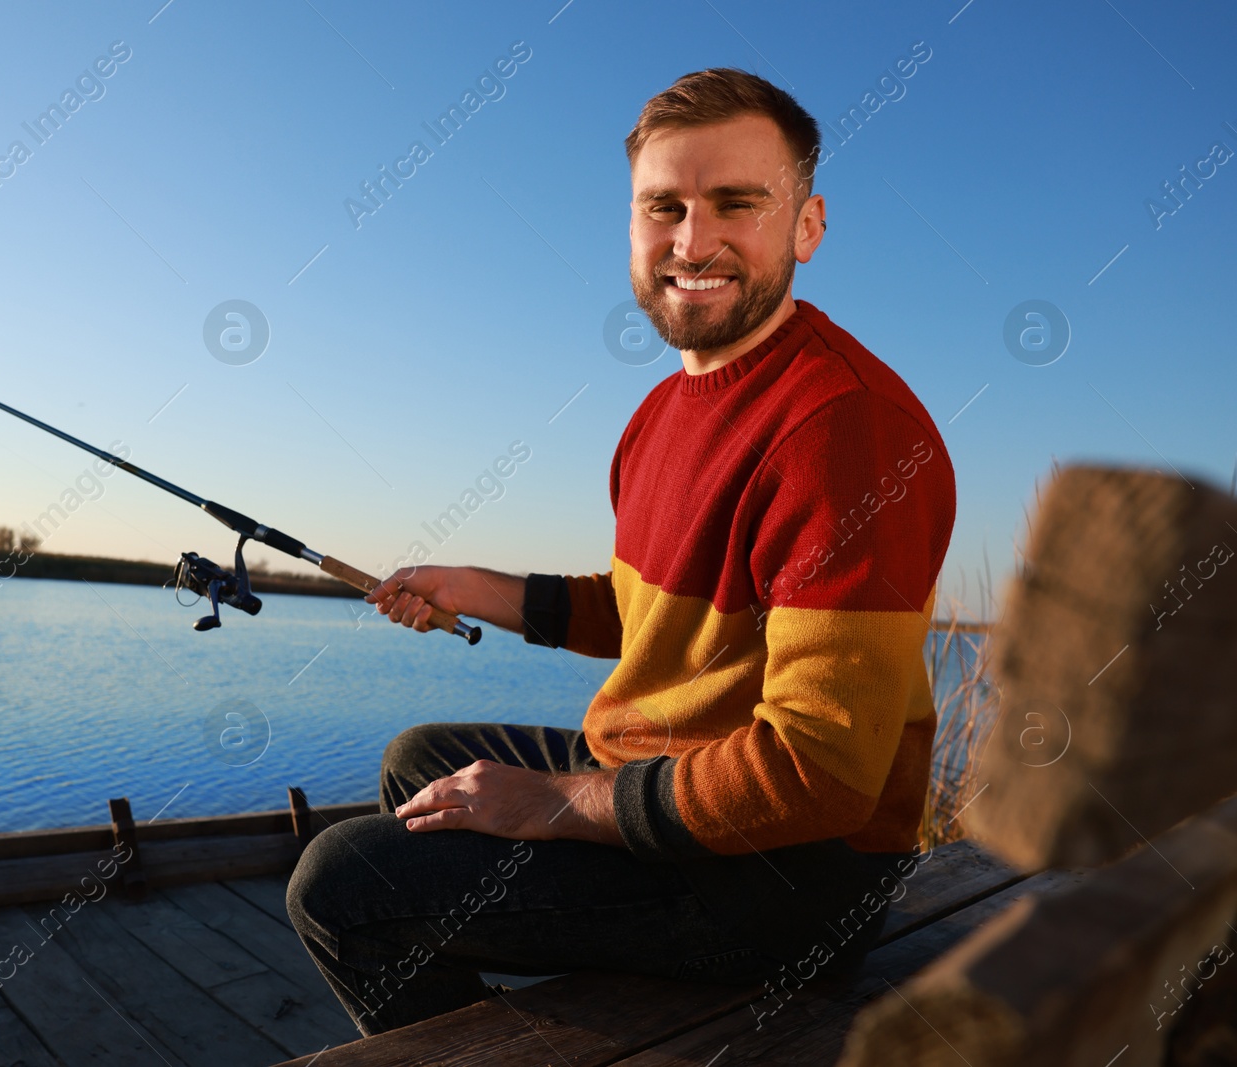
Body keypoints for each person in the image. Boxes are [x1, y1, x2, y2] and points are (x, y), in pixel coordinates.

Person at [286, 67, 956, 1037]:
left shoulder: (845, 428)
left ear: (806, 226)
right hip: (678, 787)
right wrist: (474, 586)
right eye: (663, 207)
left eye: (736, 203)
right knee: (419, 761)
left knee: (339, 885)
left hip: (796, 875)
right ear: (632, 225)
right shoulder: (659, 414)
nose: (693, 240)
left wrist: (555, 804)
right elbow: (650, 608)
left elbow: (818, 774)